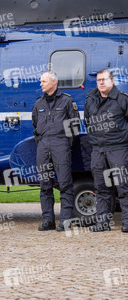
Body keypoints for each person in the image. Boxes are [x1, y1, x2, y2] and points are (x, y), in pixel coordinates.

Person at [32, 71, 80, 231]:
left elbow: (74, 125)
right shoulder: (38, 103)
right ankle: (48, 221)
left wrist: (65, 142)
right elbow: (35, 125)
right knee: (45, 185)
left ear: (54, 82)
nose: (41, 84)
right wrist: (43, 141)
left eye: (43, 81)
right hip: (43, 147)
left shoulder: (67, 100)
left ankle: (65, 222)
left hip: (61, 146)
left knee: (65, 184)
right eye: (41, 81)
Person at [84, 69, 128, 233]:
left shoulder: (122, 99)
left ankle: (127, 222)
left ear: (112, 81)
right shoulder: (90, 100)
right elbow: (88, 122)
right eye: (98, 80)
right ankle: (103, 223)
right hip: (98, 150)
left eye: (104, 80)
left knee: (123, 187)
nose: (101, 83)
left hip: (118, 149)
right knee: (101, 188)